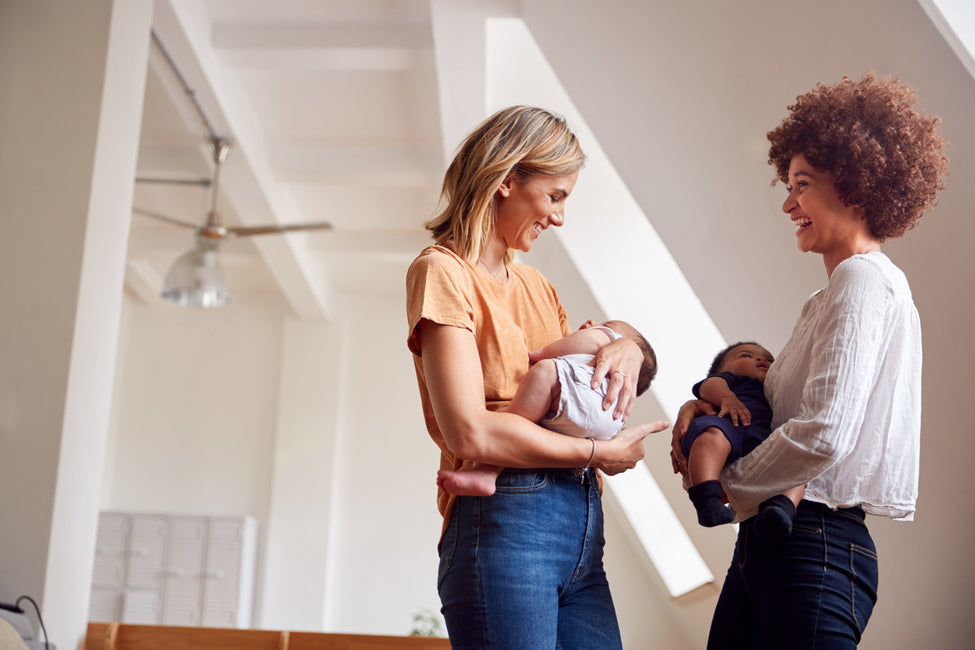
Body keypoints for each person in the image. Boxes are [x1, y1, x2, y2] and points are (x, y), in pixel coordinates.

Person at [671, 74, 947, 648]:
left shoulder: (861, 279)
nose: (788, 202)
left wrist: (727, 484)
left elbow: (824, 433)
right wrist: (705, 403)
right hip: (773, 547)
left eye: (802, 184)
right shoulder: (826, 298)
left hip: (816, 545)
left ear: (853, 184)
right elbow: (772, 415)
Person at [406, 105, 668, 649]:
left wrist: (626, 343)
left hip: (581, 526)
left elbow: (575, 382)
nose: (559, 217)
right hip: (504, 524)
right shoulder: (442, 273)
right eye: (556, 196)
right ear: (506, 181)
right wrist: (601, 454)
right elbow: (470, 434)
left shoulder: (539, 288)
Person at [437, 319, 658, 497]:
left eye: (606, 324)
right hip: (606, 428)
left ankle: (487, 470)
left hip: (569, 421)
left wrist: (542, 354)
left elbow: (566, 348)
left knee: (544, 372)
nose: (592, 323)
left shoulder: (606, 338)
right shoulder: (620, 376)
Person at [681, 341, 803, 536]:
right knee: (712, 436)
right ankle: (706, 498)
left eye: (770, 359)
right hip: (730, 424)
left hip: (763, 440)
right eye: (746, 356)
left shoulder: (777, 392)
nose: (761, 359)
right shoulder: (734, 382)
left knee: (798, 463)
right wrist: (726, 398)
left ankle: (781, 508)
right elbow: (710, 385)